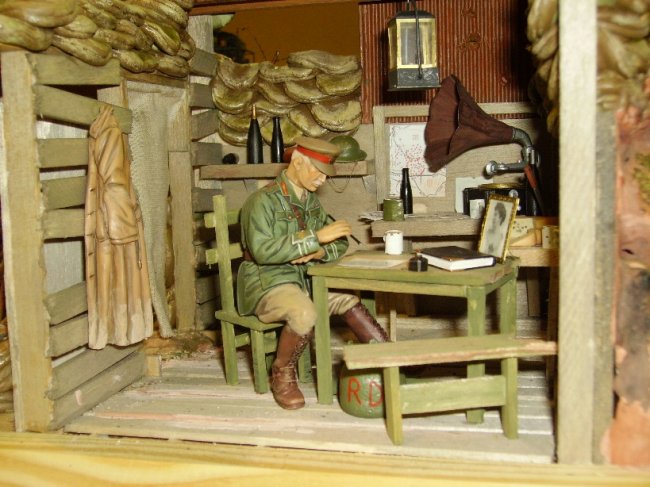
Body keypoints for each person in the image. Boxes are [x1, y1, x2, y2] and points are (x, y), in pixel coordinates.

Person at [237, 136, 388, 410]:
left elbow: (339, 241)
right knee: (304, 312)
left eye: (326, 174)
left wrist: (319, 252)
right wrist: (314, 238)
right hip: (266, 283)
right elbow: (261, 251)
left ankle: (389, 359)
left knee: (348, 300)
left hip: (304, 279)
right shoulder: (261, 201)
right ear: (297, 162)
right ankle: (282, 372)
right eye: (318, 171)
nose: (322, 180)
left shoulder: (310, 202)